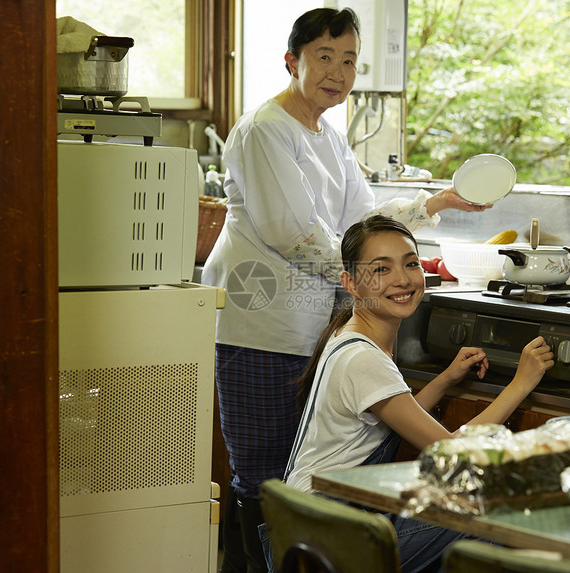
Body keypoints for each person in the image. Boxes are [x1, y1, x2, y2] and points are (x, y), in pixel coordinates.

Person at [201, 8, 490, 572]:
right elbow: (296, 234)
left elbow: (364, 219)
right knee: (263, 477)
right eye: (324, 57)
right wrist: (372, 275)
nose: (338, 71)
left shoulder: (327, 136)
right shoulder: (266, 130)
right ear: (293, 61)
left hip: (311, 326)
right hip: (260, 324)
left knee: (302, 476)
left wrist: (437, 203)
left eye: (349, 60)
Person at [283, 215, 554, 573]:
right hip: (331, 536)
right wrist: (521, 383)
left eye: (411, 263)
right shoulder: (364, 359)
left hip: (305, 522)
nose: (402, 279)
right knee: (497, 511)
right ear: (350, 283)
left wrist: (444, 379)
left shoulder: (349, 335)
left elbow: (394, 418)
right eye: (381, 269)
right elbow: (452, 453)